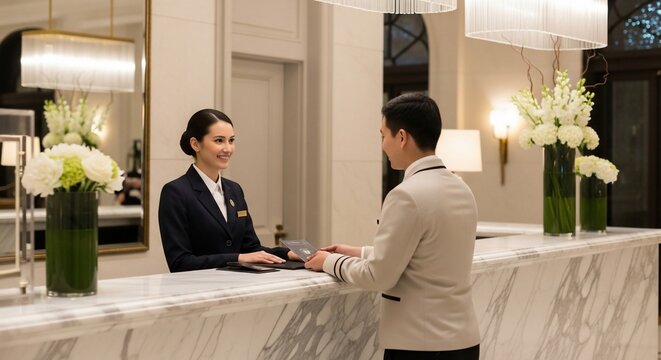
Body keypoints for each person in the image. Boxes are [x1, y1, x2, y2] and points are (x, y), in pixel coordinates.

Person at [305, 93, 480, 360]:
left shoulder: (406, 195)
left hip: (419, 345)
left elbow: (379, 276)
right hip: (464, 342)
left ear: (401, 137)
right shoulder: (462, 189)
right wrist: (357, 251)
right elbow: (426, 253)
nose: (382, 144)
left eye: (382, 135)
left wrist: (329, 262)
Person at [159, 109, 297, 272]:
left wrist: (288, 254)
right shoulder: (175, 192)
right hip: (199, 291)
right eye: (219, 141)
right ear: (195, 144)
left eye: (231, 140)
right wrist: (237, 258)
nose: (228, 148)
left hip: (238, 288)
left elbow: (251, 248)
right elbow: (180, 262)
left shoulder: (234, 190)